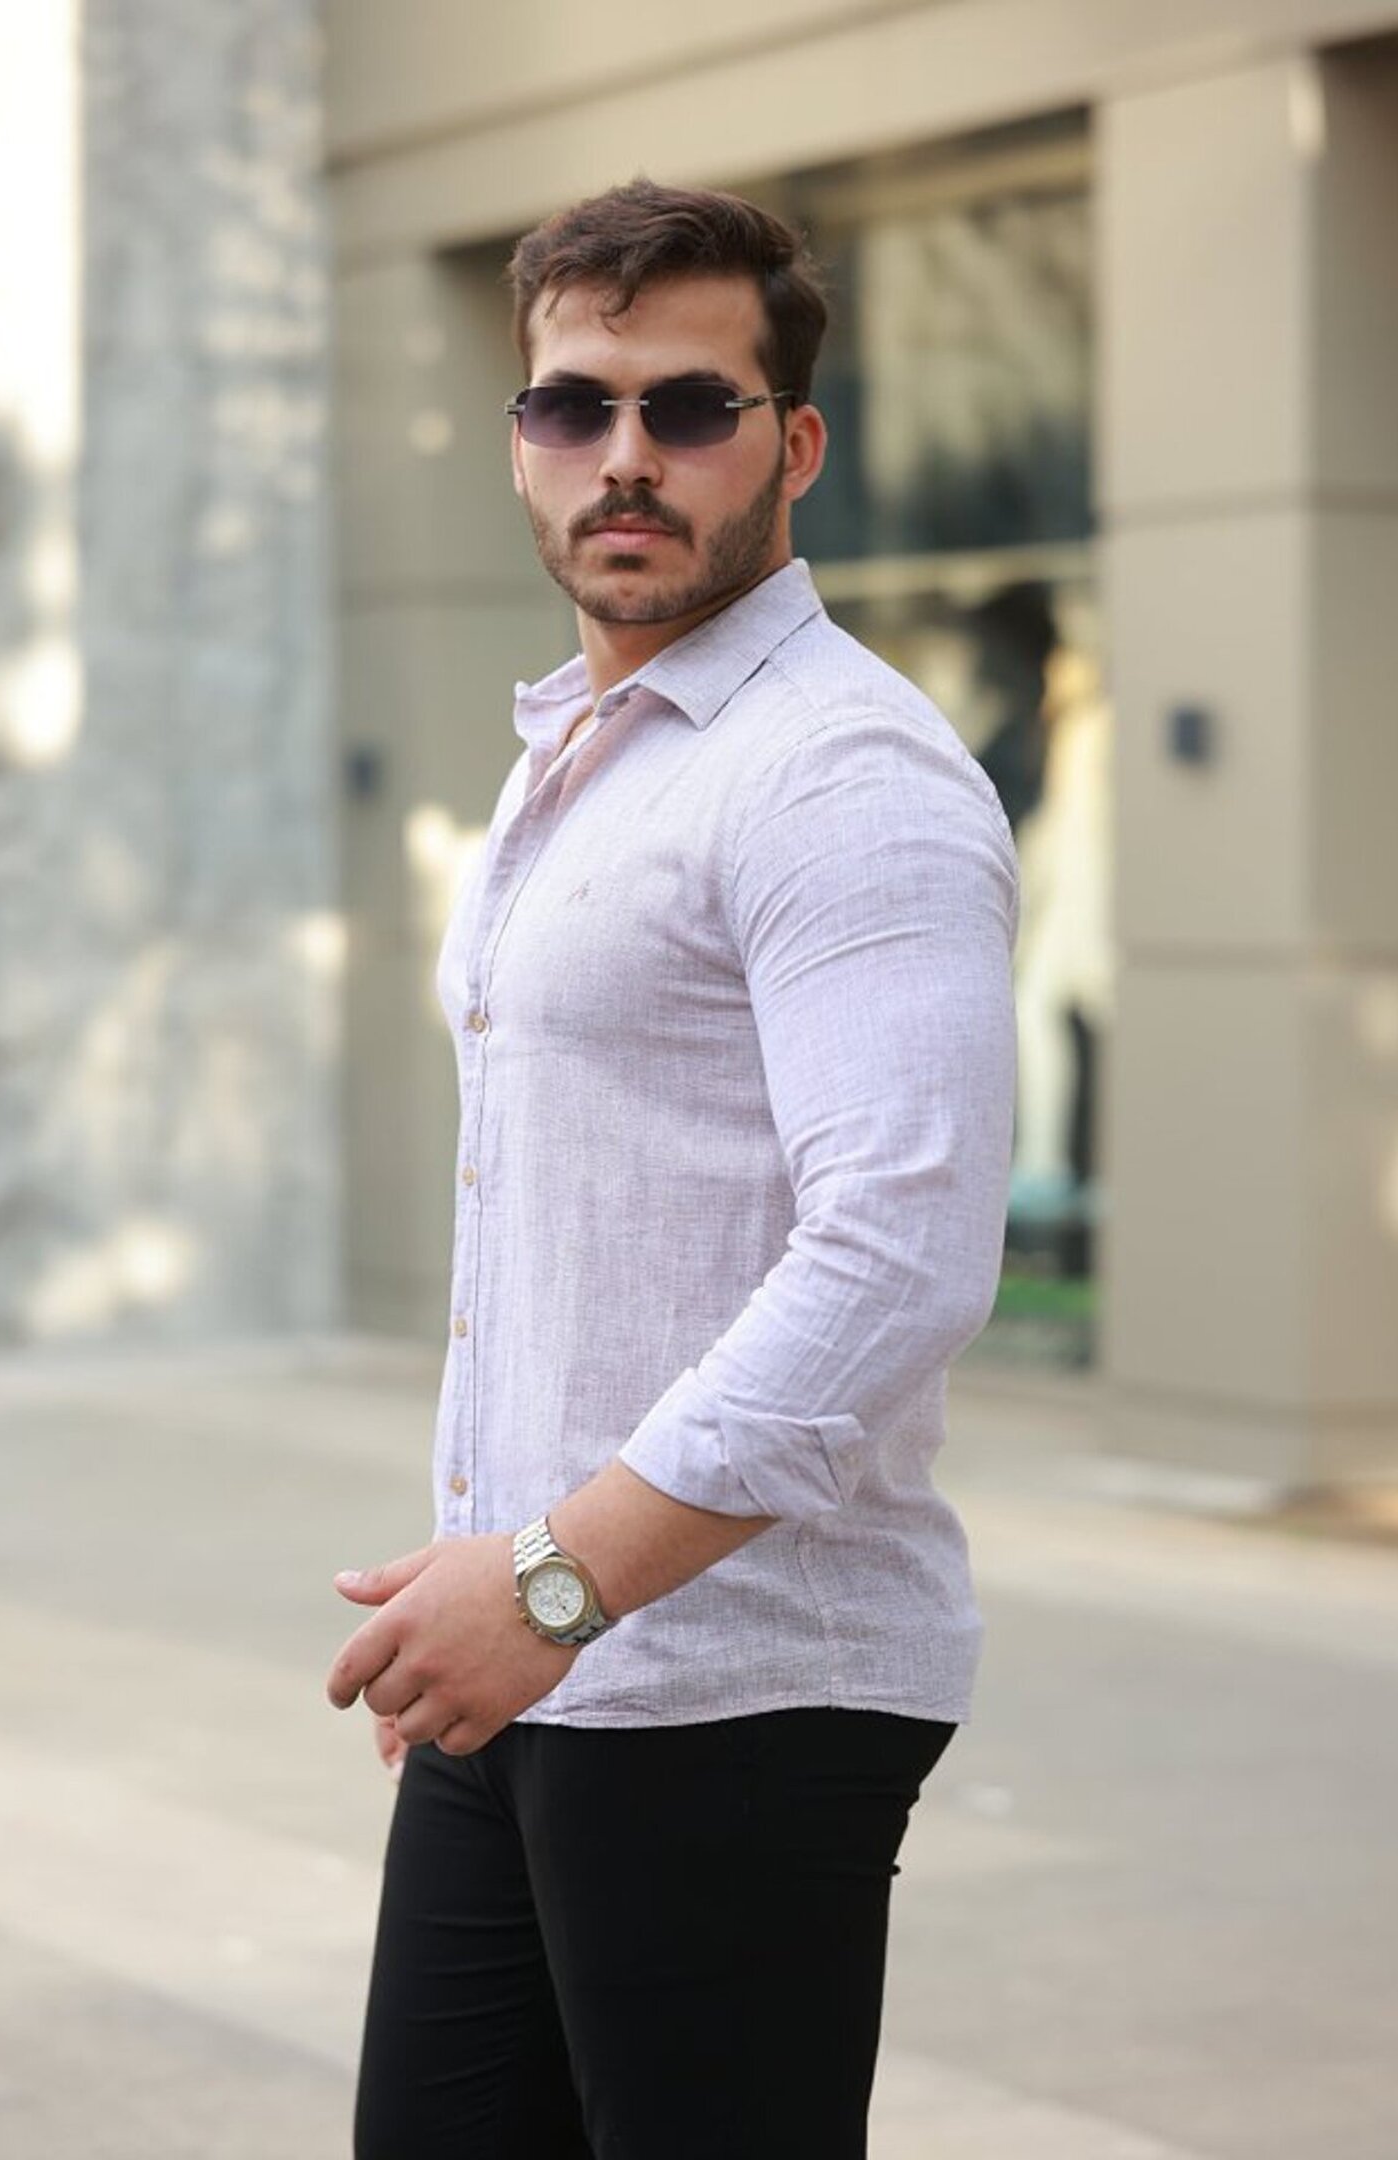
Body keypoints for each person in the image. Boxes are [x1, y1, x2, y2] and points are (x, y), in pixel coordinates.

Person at [327, 177, 1018, 2160]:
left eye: (690, 407)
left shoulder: (840, 774)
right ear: (521, 440)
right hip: (539, 1667)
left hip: (732, 1695)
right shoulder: (588, 749)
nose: (623, 456)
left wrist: (551, 1583)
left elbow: (898, 1252)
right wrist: (506, 1591)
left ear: (794, 447)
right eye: (575, 404)